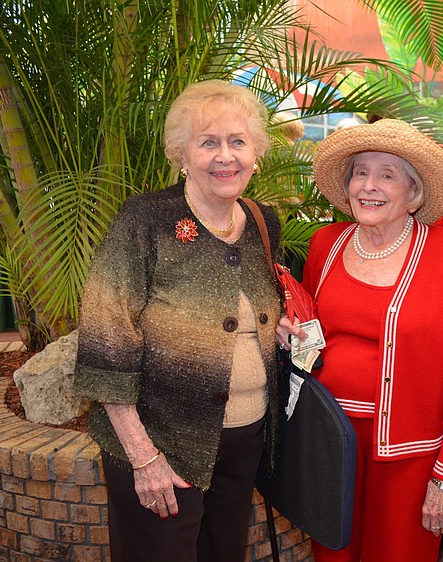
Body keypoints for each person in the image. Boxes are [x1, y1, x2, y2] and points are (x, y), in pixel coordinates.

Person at [74, 80, 282, 561]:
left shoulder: (263, 223)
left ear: (256, 155)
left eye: (237, 142)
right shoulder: (145, 221)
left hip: (243, 441)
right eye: (208, 142)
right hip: (160, 446)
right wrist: (142, 457)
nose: (224, 156)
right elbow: (106, 341)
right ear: (182, 155)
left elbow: (261, 306)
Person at [276, 119, 443, 561]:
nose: (369, 185)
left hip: (409, 459)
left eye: (387, 175)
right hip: (328, 442)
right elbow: (310, 334)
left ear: (413, 191)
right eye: (360, 172)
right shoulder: (325, 242)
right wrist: (288, 336)